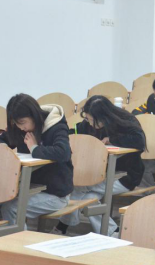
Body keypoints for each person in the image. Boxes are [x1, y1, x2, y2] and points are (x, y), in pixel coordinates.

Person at [58, 96, 146, 236]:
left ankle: (62, 226)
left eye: (91, 120)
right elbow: (75, 132)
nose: (89, 123)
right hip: (100, 173)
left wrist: (112, 139)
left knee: (77, 187)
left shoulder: (126, 121)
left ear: (103, 117)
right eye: (87, 119)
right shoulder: (89, 123)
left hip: (125, 176)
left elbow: (139, 141)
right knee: (88, 199)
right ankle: (113, 232)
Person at [0, 94, 73, 228]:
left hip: (55, 193)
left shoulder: (56, 125)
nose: (20, 127)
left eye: (22, 122)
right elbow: (2, 139)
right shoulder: (20, 127)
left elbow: (63, 152)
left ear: (34, 115)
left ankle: (18, 241)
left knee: (12, 208)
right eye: (16, 124)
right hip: (27, 187)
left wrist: (35, 148)